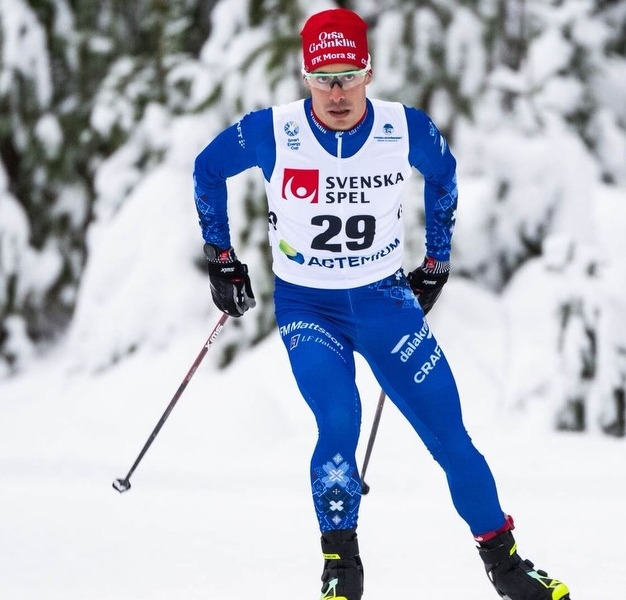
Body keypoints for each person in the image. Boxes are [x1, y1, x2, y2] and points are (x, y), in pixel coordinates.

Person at [191, 8, 570, 600]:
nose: (337, 92)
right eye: (323, 77)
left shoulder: (405, 128)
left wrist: (436, 262)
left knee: (451, 435)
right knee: (338, 419)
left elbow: (443, 176)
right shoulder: (273, 130)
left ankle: (507, 566)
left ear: (369, 71)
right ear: (305, 76)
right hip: (308, 307)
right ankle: (341, 568)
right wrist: (221, 258)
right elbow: (207, 168)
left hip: (384, 302)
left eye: (348, 75)